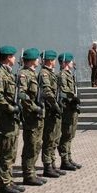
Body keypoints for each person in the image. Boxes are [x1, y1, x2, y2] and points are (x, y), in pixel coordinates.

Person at [0, 46, 25, 193]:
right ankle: (4, 183)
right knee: (5, 152)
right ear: (8, 57)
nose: (15, 59)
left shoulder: (10, 73)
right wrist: (11, 108)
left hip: (12, 119)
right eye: (13, 56)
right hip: (5, 118)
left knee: (11, 151)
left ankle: (9, 180)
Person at [18, 48, 47, 186]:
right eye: (37, 58)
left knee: (37, 144)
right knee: (30, 145)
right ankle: (28, 174)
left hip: (37, 115)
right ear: (32, 60)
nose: (39, 61)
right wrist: (35, 108)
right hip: (30, 115)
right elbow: (22, 95)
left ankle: (32, 172)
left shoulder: (34, 74)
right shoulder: (24, 74)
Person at [39, 50, 65, 178]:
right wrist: (55, 105)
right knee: (49, 139)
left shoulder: (51, 73)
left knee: (55, 138)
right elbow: (47, 92)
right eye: (53, 59)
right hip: (49, 110)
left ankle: (53, 164)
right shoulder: (44, 73)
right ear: (49, 60)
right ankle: (47, 165)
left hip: (54, 109)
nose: (55, 62)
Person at [58, 52, 82, 169]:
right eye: (71, 61)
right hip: (66, 109)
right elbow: (64, 90)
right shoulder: (62, 75)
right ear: (66, 62)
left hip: (71, 109)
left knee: (70, 135)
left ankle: (69, 157)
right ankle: (64, 160)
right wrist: (73, 96)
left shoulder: (69, 74)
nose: (73, 63)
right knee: (66, 134)